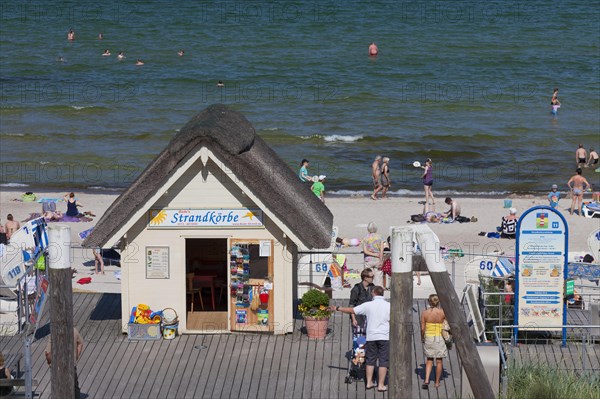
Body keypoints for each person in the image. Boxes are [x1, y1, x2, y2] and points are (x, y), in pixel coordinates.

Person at [332, 286, 389, 392]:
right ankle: (381, 385)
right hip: (384, 336)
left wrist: (337, 308)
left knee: (370, 360)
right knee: (383, 361)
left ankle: (369, 382)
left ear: (373, 293)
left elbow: (351, 310)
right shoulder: (389, 306)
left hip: (371, 336)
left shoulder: (369, 305)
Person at [45, 327, 84, 398]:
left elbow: (48, 354)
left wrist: (49, 362)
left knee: (58, 388)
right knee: (75, 387)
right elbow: (80, 343)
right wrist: (76, 356)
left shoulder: (54, 333)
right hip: (71, 364)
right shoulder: (73, 330)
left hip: (57, 367)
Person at [421, 294, 447, 390]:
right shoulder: (442, 312)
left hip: (429, 336)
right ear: (438, 302)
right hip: (440, 337)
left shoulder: (425, 313)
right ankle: (436, 382)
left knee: (429, 360)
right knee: (439, 361)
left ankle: (426, 380)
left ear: (429, 302)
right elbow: (447, 325)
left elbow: (423, 328)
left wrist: (422, 337)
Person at [363, 222, 384, 287]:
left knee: (368, 277)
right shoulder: (380, 237)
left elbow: (365, 251)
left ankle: (369, 291)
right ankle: (378, 292)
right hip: (377, 259)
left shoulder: (365, 238)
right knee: (378, 278)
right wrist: (381, 260)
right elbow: (381, 250)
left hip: (368, 260)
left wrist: (373, 254)